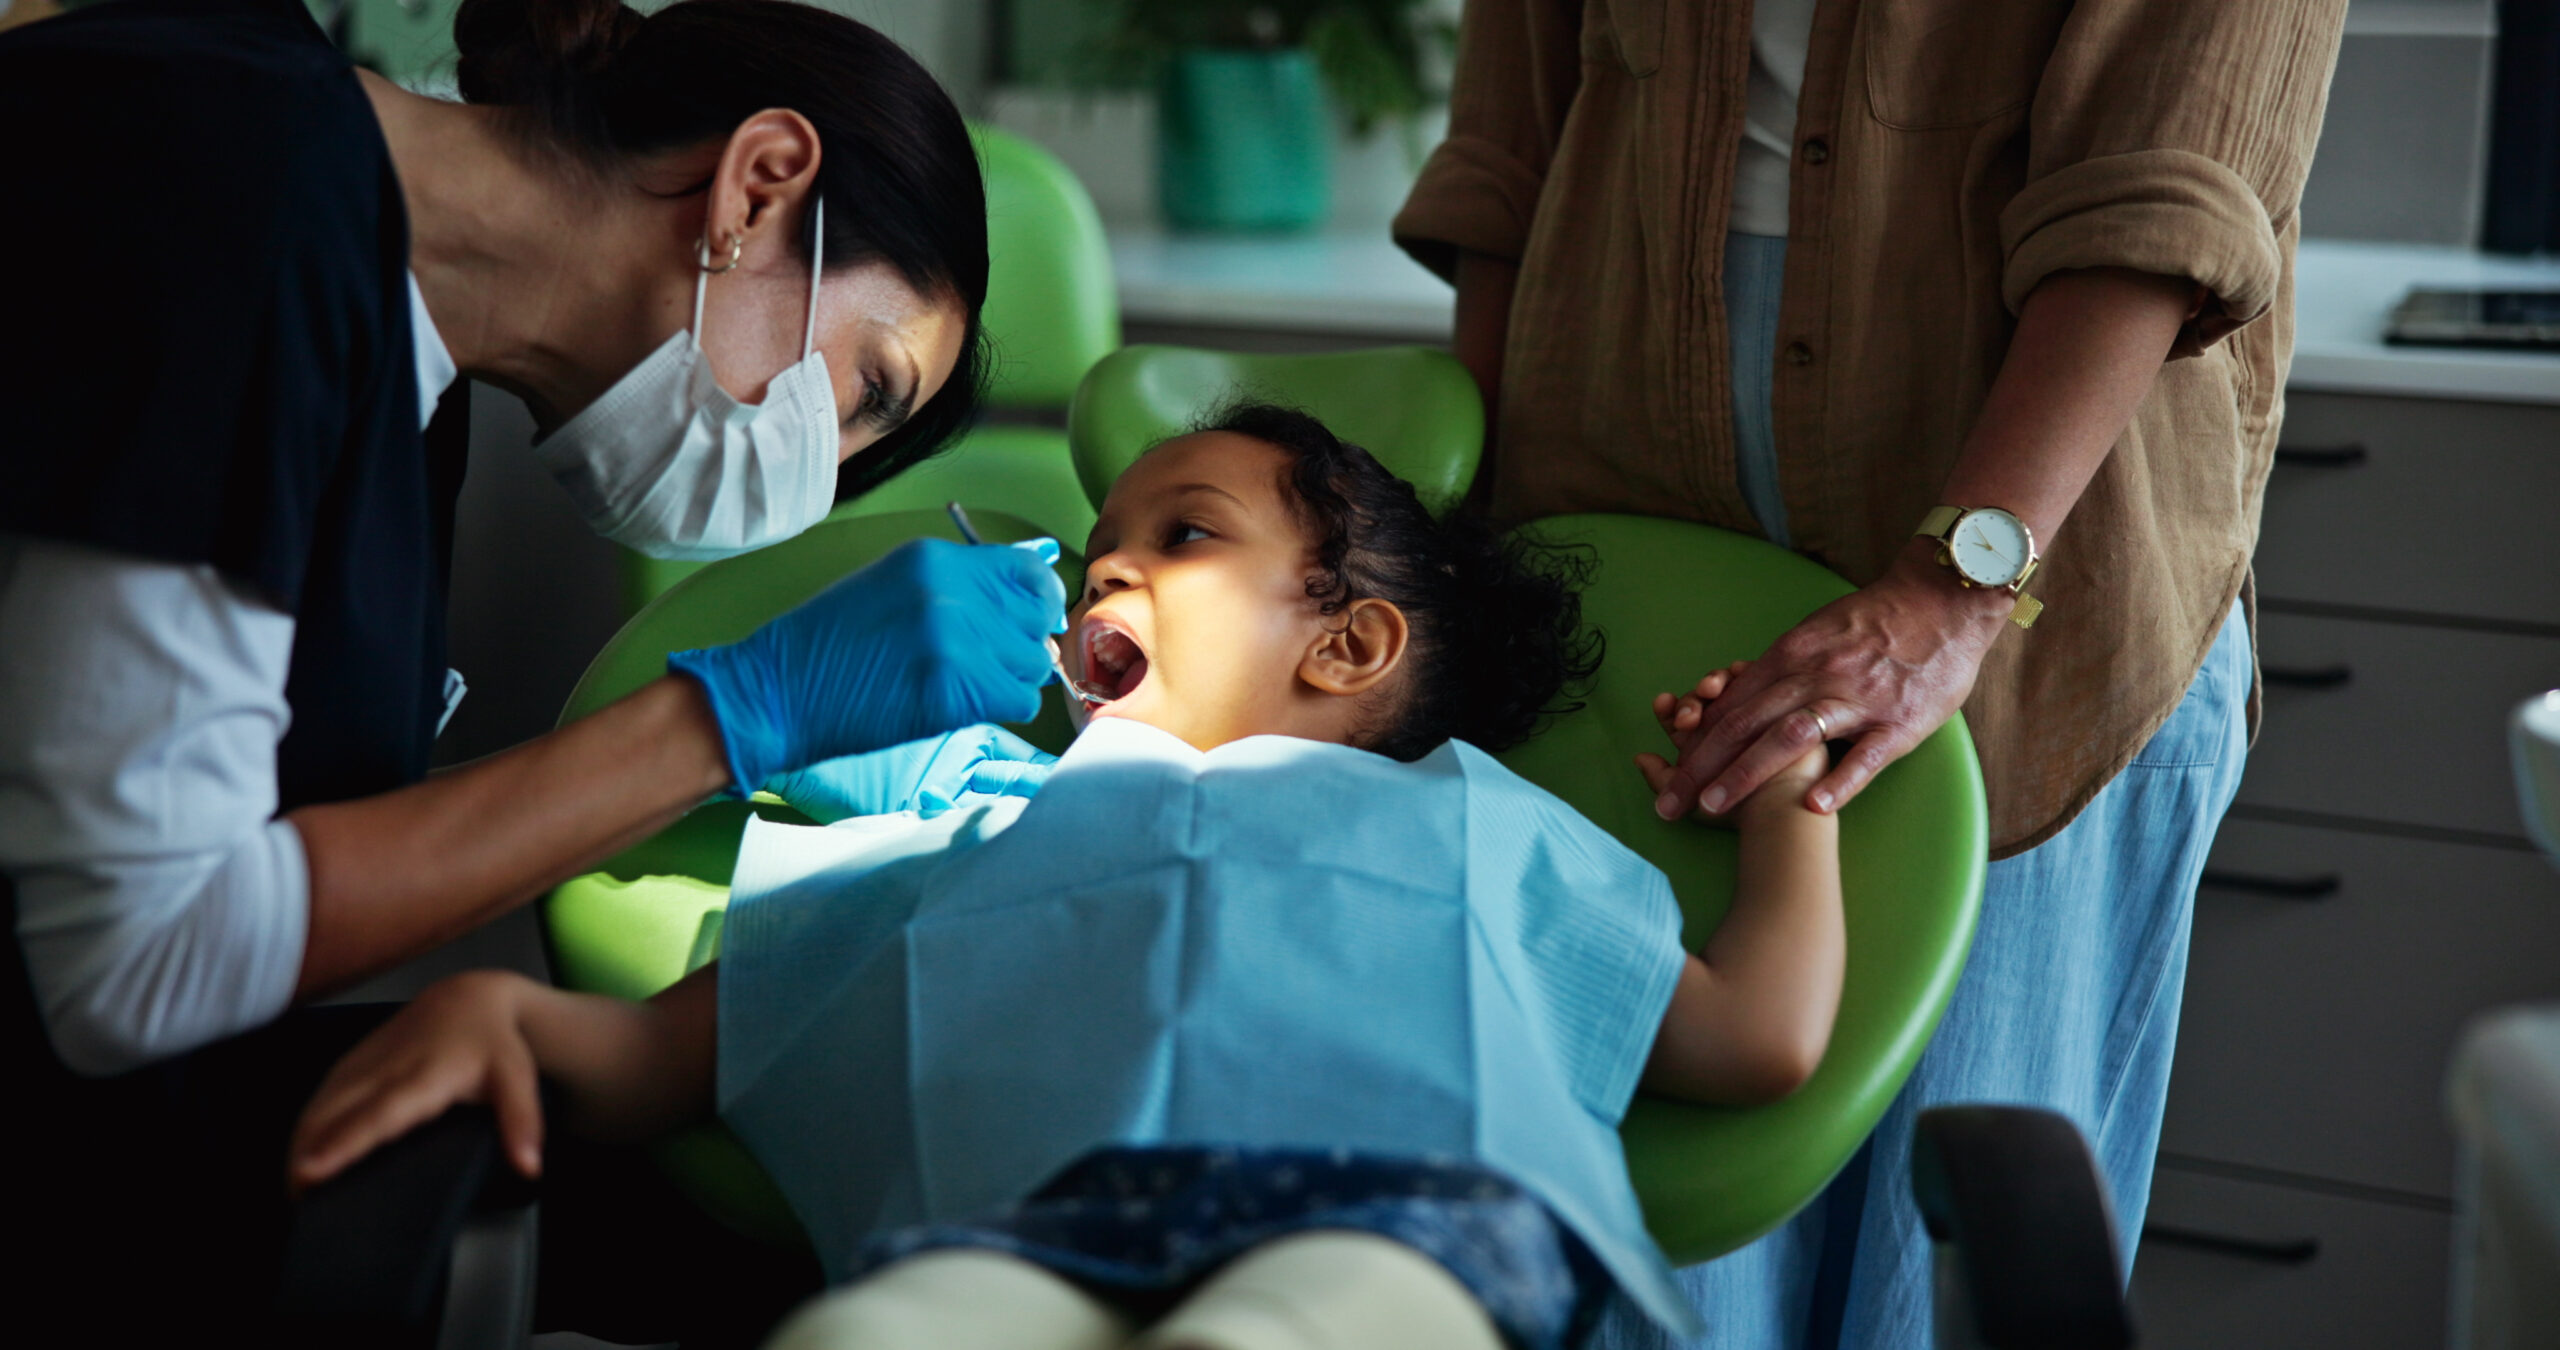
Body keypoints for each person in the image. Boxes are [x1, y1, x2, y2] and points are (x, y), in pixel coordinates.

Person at [287, 405, 1851, 1350]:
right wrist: (501, 1012)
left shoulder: (1469, 821)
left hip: (1399, 1225)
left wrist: (1792, 804)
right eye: (1111, 540)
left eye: (1183, 533)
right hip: (1006, 1242)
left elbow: (1755, 1033)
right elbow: (651, 1053)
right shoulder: (977, 830)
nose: (1107, 563)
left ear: (1350, 642)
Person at [0, 0, 1061, 1337]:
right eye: (864, 392)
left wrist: (720, 763)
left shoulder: (410, 356)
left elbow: (245, 815)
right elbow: (133, 958)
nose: (815, 482)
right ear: (758, 183)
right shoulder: (241, 191)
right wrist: (725, 715)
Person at [1393, 2, 2346, 1345]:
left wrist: (1959, 586)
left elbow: (2173, 173)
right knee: (1645, 1267)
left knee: (1948, 1259)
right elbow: (1512, 134)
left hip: (2038, 550)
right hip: (1614, 505)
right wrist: (1463, 559)